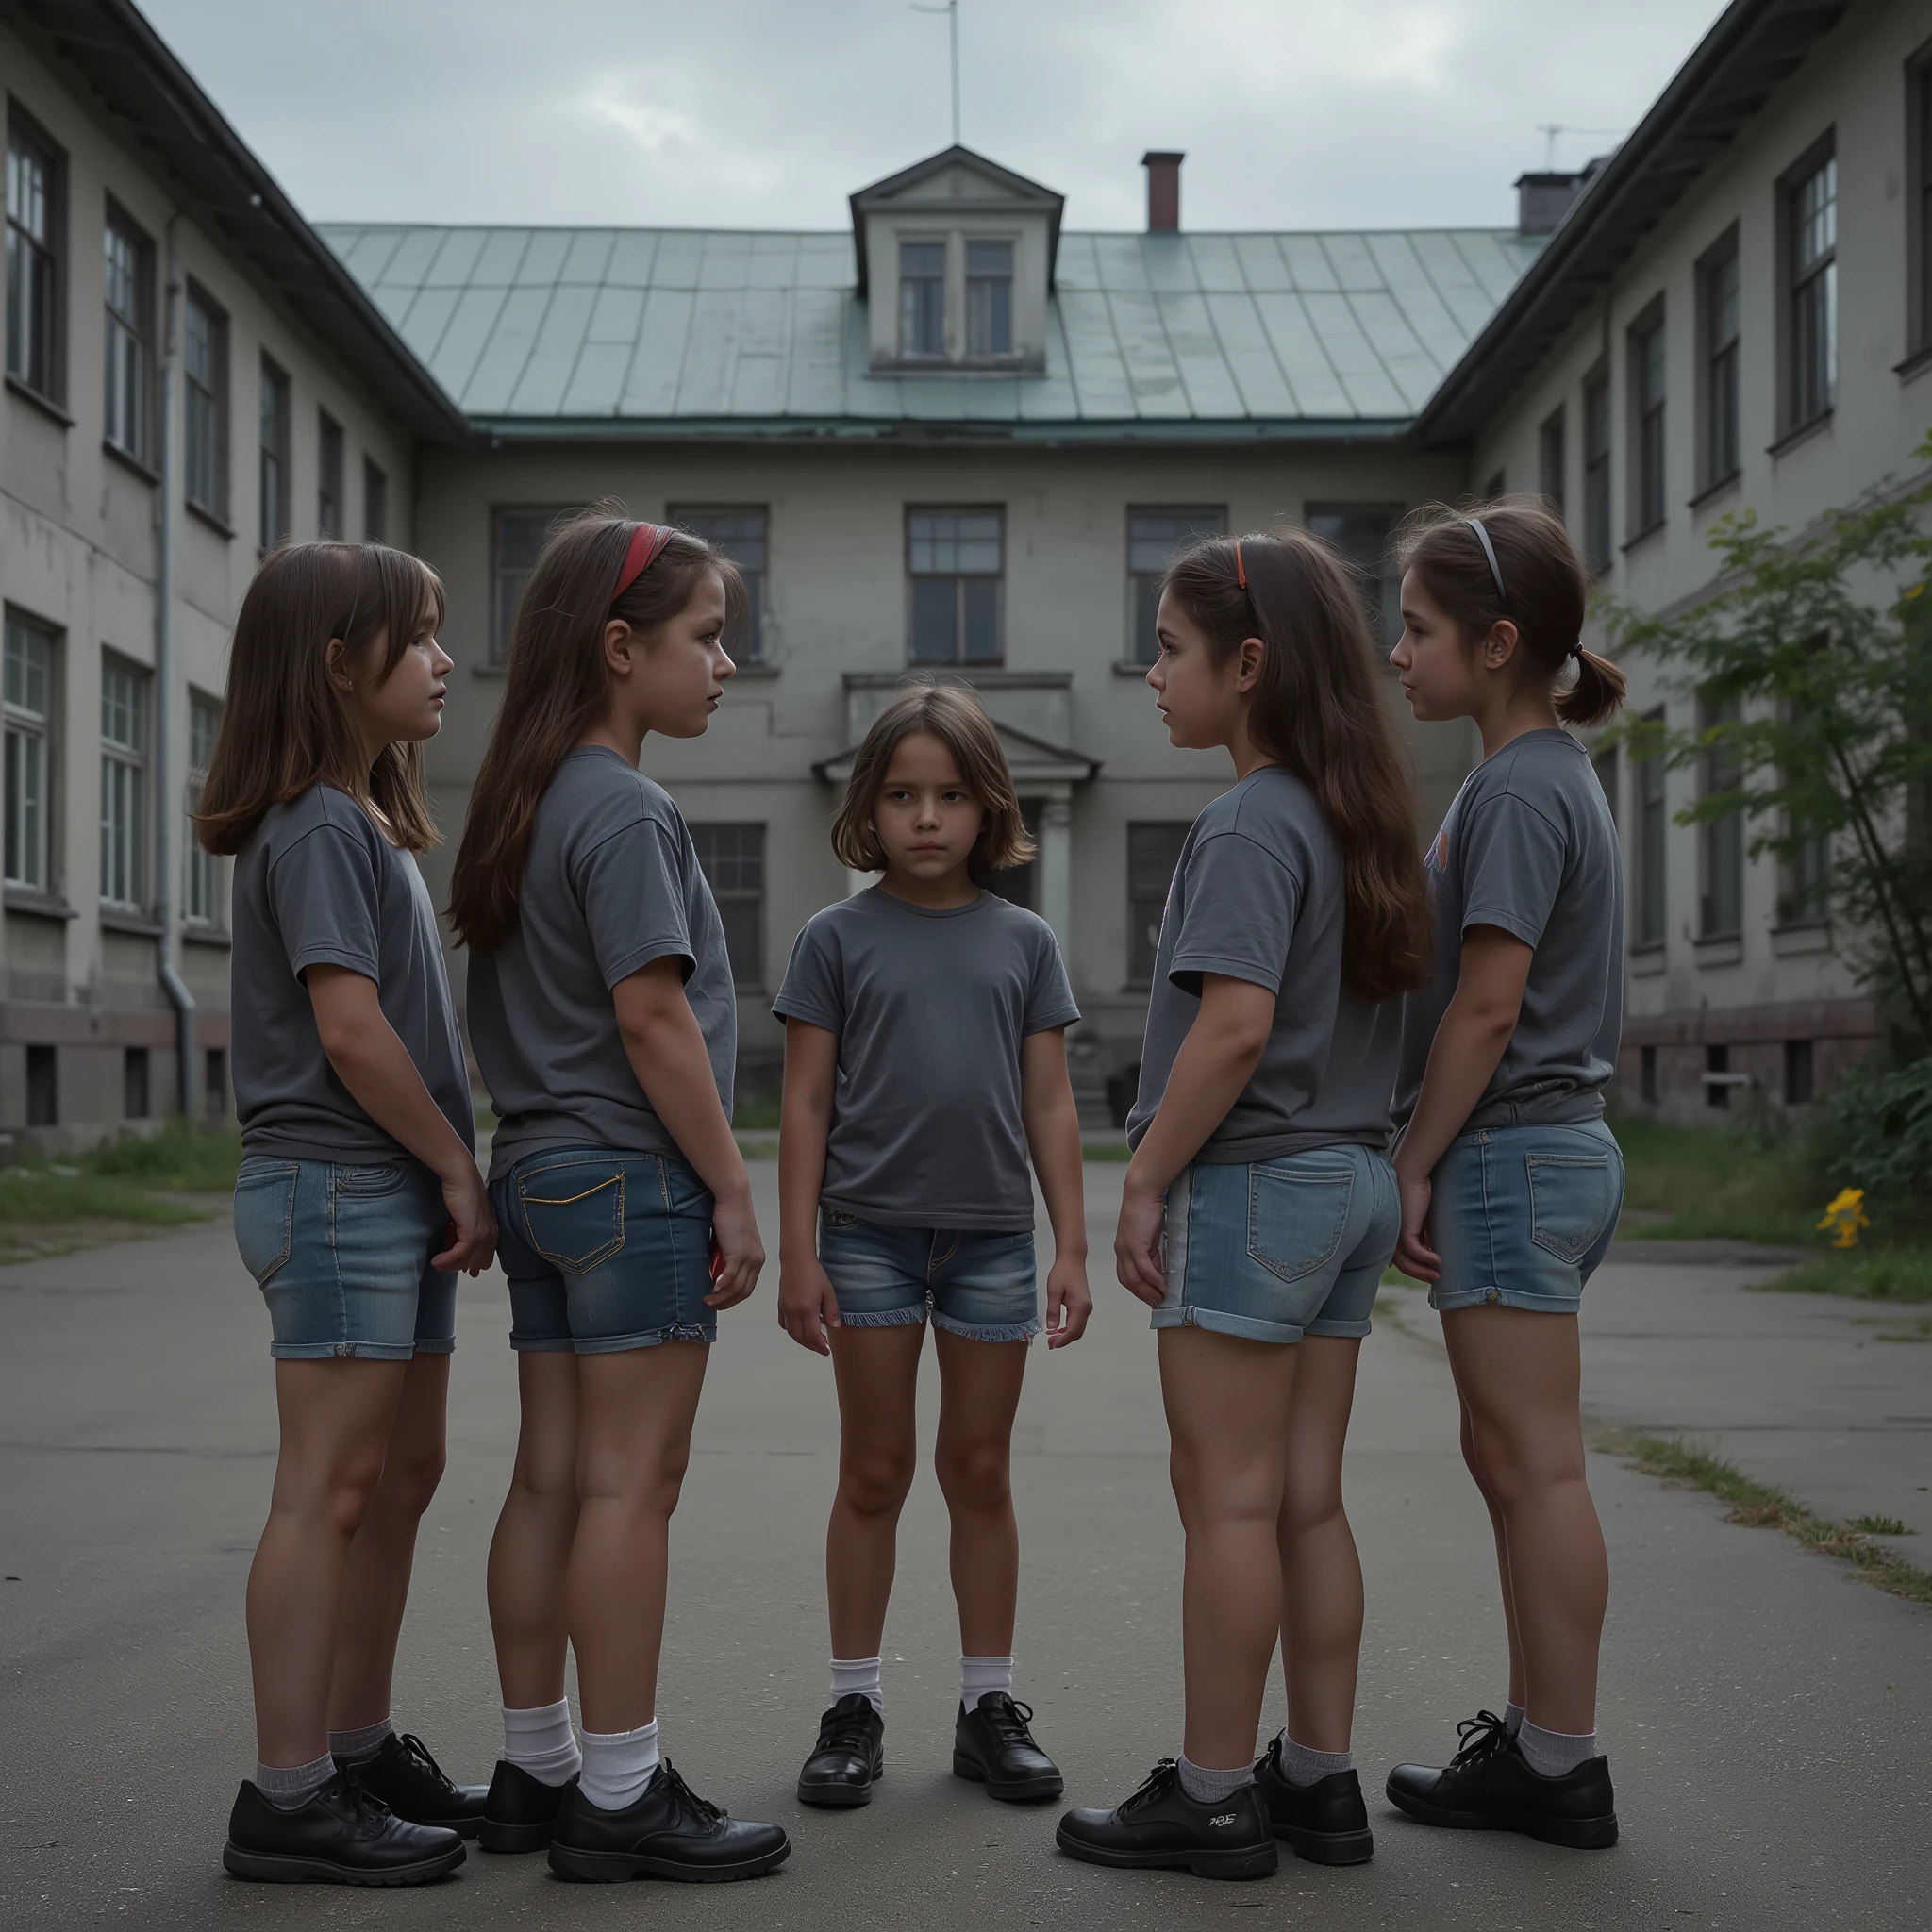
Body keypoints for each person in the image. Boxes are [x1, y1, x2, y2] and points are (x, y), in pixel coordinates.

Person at [1056, 530, 1432, 1881]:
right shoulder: (1356, 817)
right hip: (1350, 1187)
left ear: (1249, 664)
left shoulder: (1245, 822)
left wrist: (1143, 1179)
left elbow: (1232, 1031)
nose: (1151, 673)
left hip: (1258, 1183)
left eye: (1168, 648)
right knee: (1305, 1503)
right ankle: (1318, 1782)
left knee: (1225, 1506)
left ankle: (1213, 1795)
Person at [447, 509, 789, 1884]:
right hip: (628, 1177)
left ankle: (535, 1772)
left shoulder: (521, 798)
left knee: (548, 1478)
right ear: (618, 645)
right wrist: (735, 1191)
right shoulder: (629, 804)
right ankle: (622, 1791)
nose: (724, 668)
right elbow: (655, 1020)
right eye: (707, 640)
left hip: (533, 1166)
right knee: (628, 1491)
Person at [203, 541, 494, 1886]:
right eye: (418, 637)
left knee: (399, 1479)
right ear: (337, 665)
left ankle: (359, 1748)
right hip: (340, 1188)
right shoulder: (317, 821)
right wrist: (454, 1164)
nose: (443, 661)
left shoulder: (356, 817)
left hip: (379, 1190)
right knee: (327, 1492)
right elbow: (352, 1030)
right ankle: (289, 1792)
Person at [774, 678, 1091, 1810]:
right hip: (864, 1237)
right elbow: (803, 1104)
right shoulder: (833, 937)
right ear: (869, 804)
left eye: (950, 794)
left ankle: (986, 1705)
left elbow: (1050, 1103)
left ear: (986, 804)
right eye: (902, 793)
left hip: (995, 1242)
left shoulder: (1026, 939)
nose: (925, 817)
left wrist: (1071, 1247)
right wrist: (798, 1249)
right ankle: (850, 1704)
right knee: (874, 1468)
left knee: (979, 1467)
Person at [1381, 495, 1626, 1850]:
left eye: (1416, 630)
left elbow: (1486, 1006)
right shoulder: (1525, 777)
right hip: (1540, 1153)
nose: (1398, 653)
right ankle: (1540, 1744)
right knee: (1513, 1461)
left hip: (1513, 1150)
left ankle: (1564, 1759)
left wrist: (1415, 1160)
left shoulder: (1525, 786)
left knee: (1533, 1467)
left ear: (1498, 643)